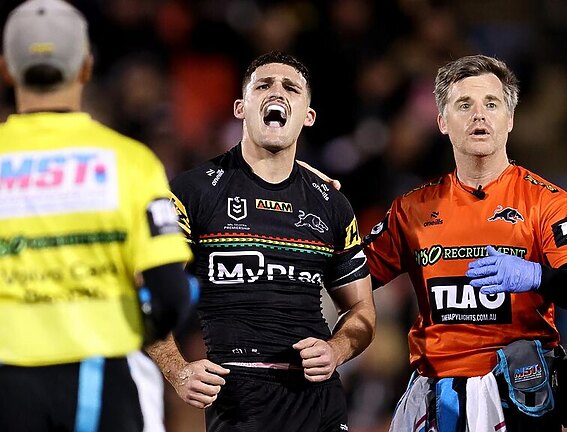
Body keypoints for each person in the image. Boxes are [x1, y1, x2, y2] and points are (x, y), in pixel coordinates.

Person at [146, 51, 376, 432]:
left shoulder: (332, 204)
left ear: (308, 115)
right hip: (239, 398)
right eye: (263, 85)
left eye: (291, 88)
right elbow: (146, 291)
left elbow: (363, 311)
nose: (277, 93)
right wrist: (177, 370)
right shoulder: (193, 191)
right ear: (241, 107)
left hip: (320, 400)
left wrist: (335, 350)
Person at [0, 1, 194, 431]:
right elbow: (171, 296)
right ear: (85, 67)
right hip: (96, 379)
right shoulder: (130, 162)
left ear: (7, 69)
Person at [362, 54, 567, 430]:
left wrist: (538, 277)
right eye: (465, 105)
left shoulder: (549, 202)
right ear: (443, 122)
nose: (479, 115)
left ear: (509, 119)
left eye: (491, 104)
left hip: (520, 398)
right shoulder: (411, 209)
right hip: (436, 398)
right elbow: (350, 279)